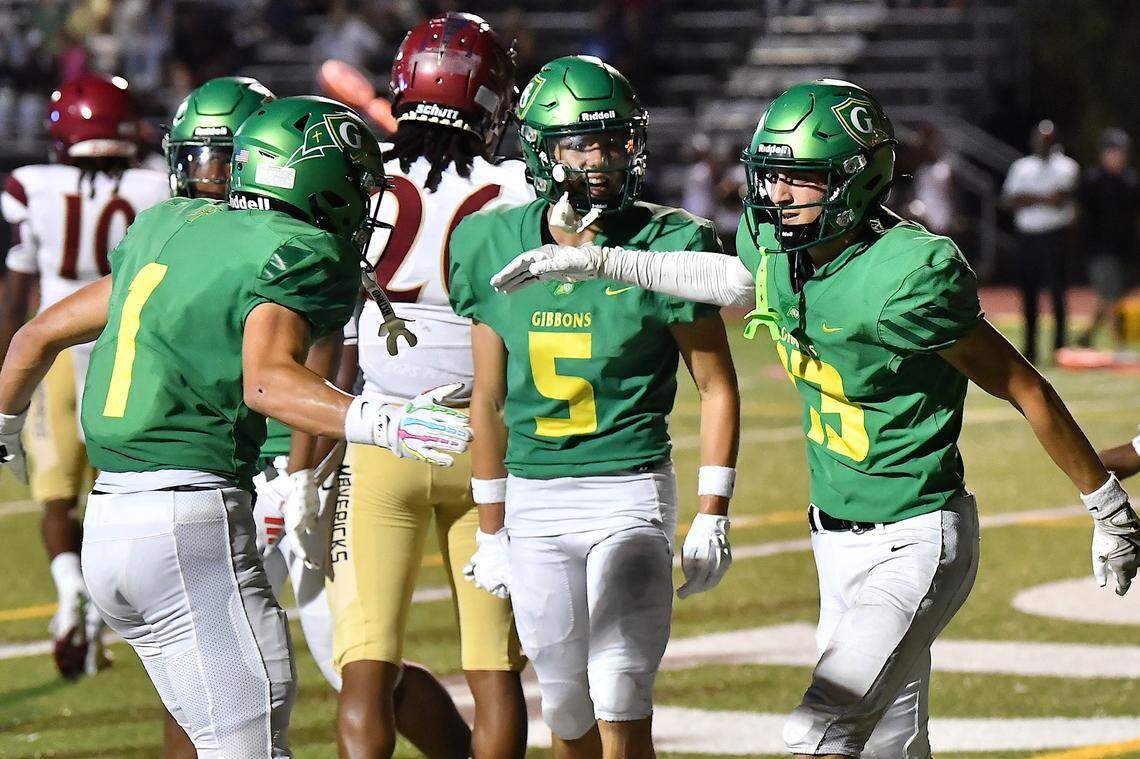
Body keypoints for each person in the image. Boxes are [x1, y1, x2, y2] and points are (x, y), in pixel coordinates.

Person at [490, 79, 1140, 758]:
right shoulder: (784, 245)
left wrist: (1107, 507)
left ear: (858, 182)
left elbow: (1024, 385)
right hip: (834, 539)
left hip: (915, 537)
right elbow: (733, 280)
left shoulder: (907, 276)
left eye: (799, 180)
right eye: (771, 178)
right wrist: (595, 261)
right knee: (891, 744)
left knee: (819, 729)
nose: (775, 197)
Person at [0, 95, 472, 758]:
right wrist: (386, 420)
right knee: (251, 741)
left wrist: (6, 421)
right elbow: (267, 381)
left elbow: (35, 333)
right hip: (188, 519)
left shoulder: (168, 225)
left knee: (203, 731)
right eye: (352, 183)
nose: (361, 204)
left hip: (109, 527)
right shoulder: (297, 248)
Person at [452, 55, 741, 759]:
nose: (604, 158)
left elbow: (717, 384)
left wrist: (713, 508)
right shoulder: (491, 238)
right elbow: (486, 398)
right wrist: (490, 526)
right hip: (534, 498)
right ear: (542, 152)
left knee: (620, 689)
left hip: (629, 490)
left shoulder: (670, 241)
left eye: (615, 140)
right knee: (566, 704)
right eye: (583, 143)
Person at [324, 14, 532, 759]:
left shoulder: (359, 171)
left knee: (365, 670)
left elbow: (336, 337)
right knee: (496, 674)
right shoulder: (518, 183)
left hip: (383, 434)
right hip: (488, 442)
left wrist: (306, 463)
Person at [0, 73, 170, 680]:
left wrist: (6, 371)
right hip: (128, 349)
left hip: (53, 349)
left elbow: (17, 289)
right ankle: (103, 608)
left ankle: (69, 586)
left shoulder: (32, 184)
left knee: (53, 494)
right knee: (111, 492)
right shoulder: (155, 183)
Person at [1001, 119, 1079, 363]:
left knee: (1057, 292)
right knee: (1028, 293)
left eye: (1047, 139)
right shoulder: (1021, 167)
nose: (1043, 143)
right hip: (1028, 237)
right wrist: (1044, 198)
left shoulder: (1066, 166)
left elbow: (1061, 198)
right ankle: (1030, 349)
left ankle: (1060, 348)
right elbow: (1009, 201)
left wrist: (1029, 198)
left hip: (1054, 236)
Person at [1078, 127, 1139, 348]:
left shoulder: (1130, 181)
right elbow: (1081, 214)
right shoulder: (1092, 181)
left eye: (1121, 152)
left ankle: (1087, 334)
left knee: (1111, 296)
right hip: (1099, 249)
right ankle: (1118, 343)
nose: (1117, 156)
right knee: (1111, 295)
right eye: (1112, 151)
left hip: (1125, 248)